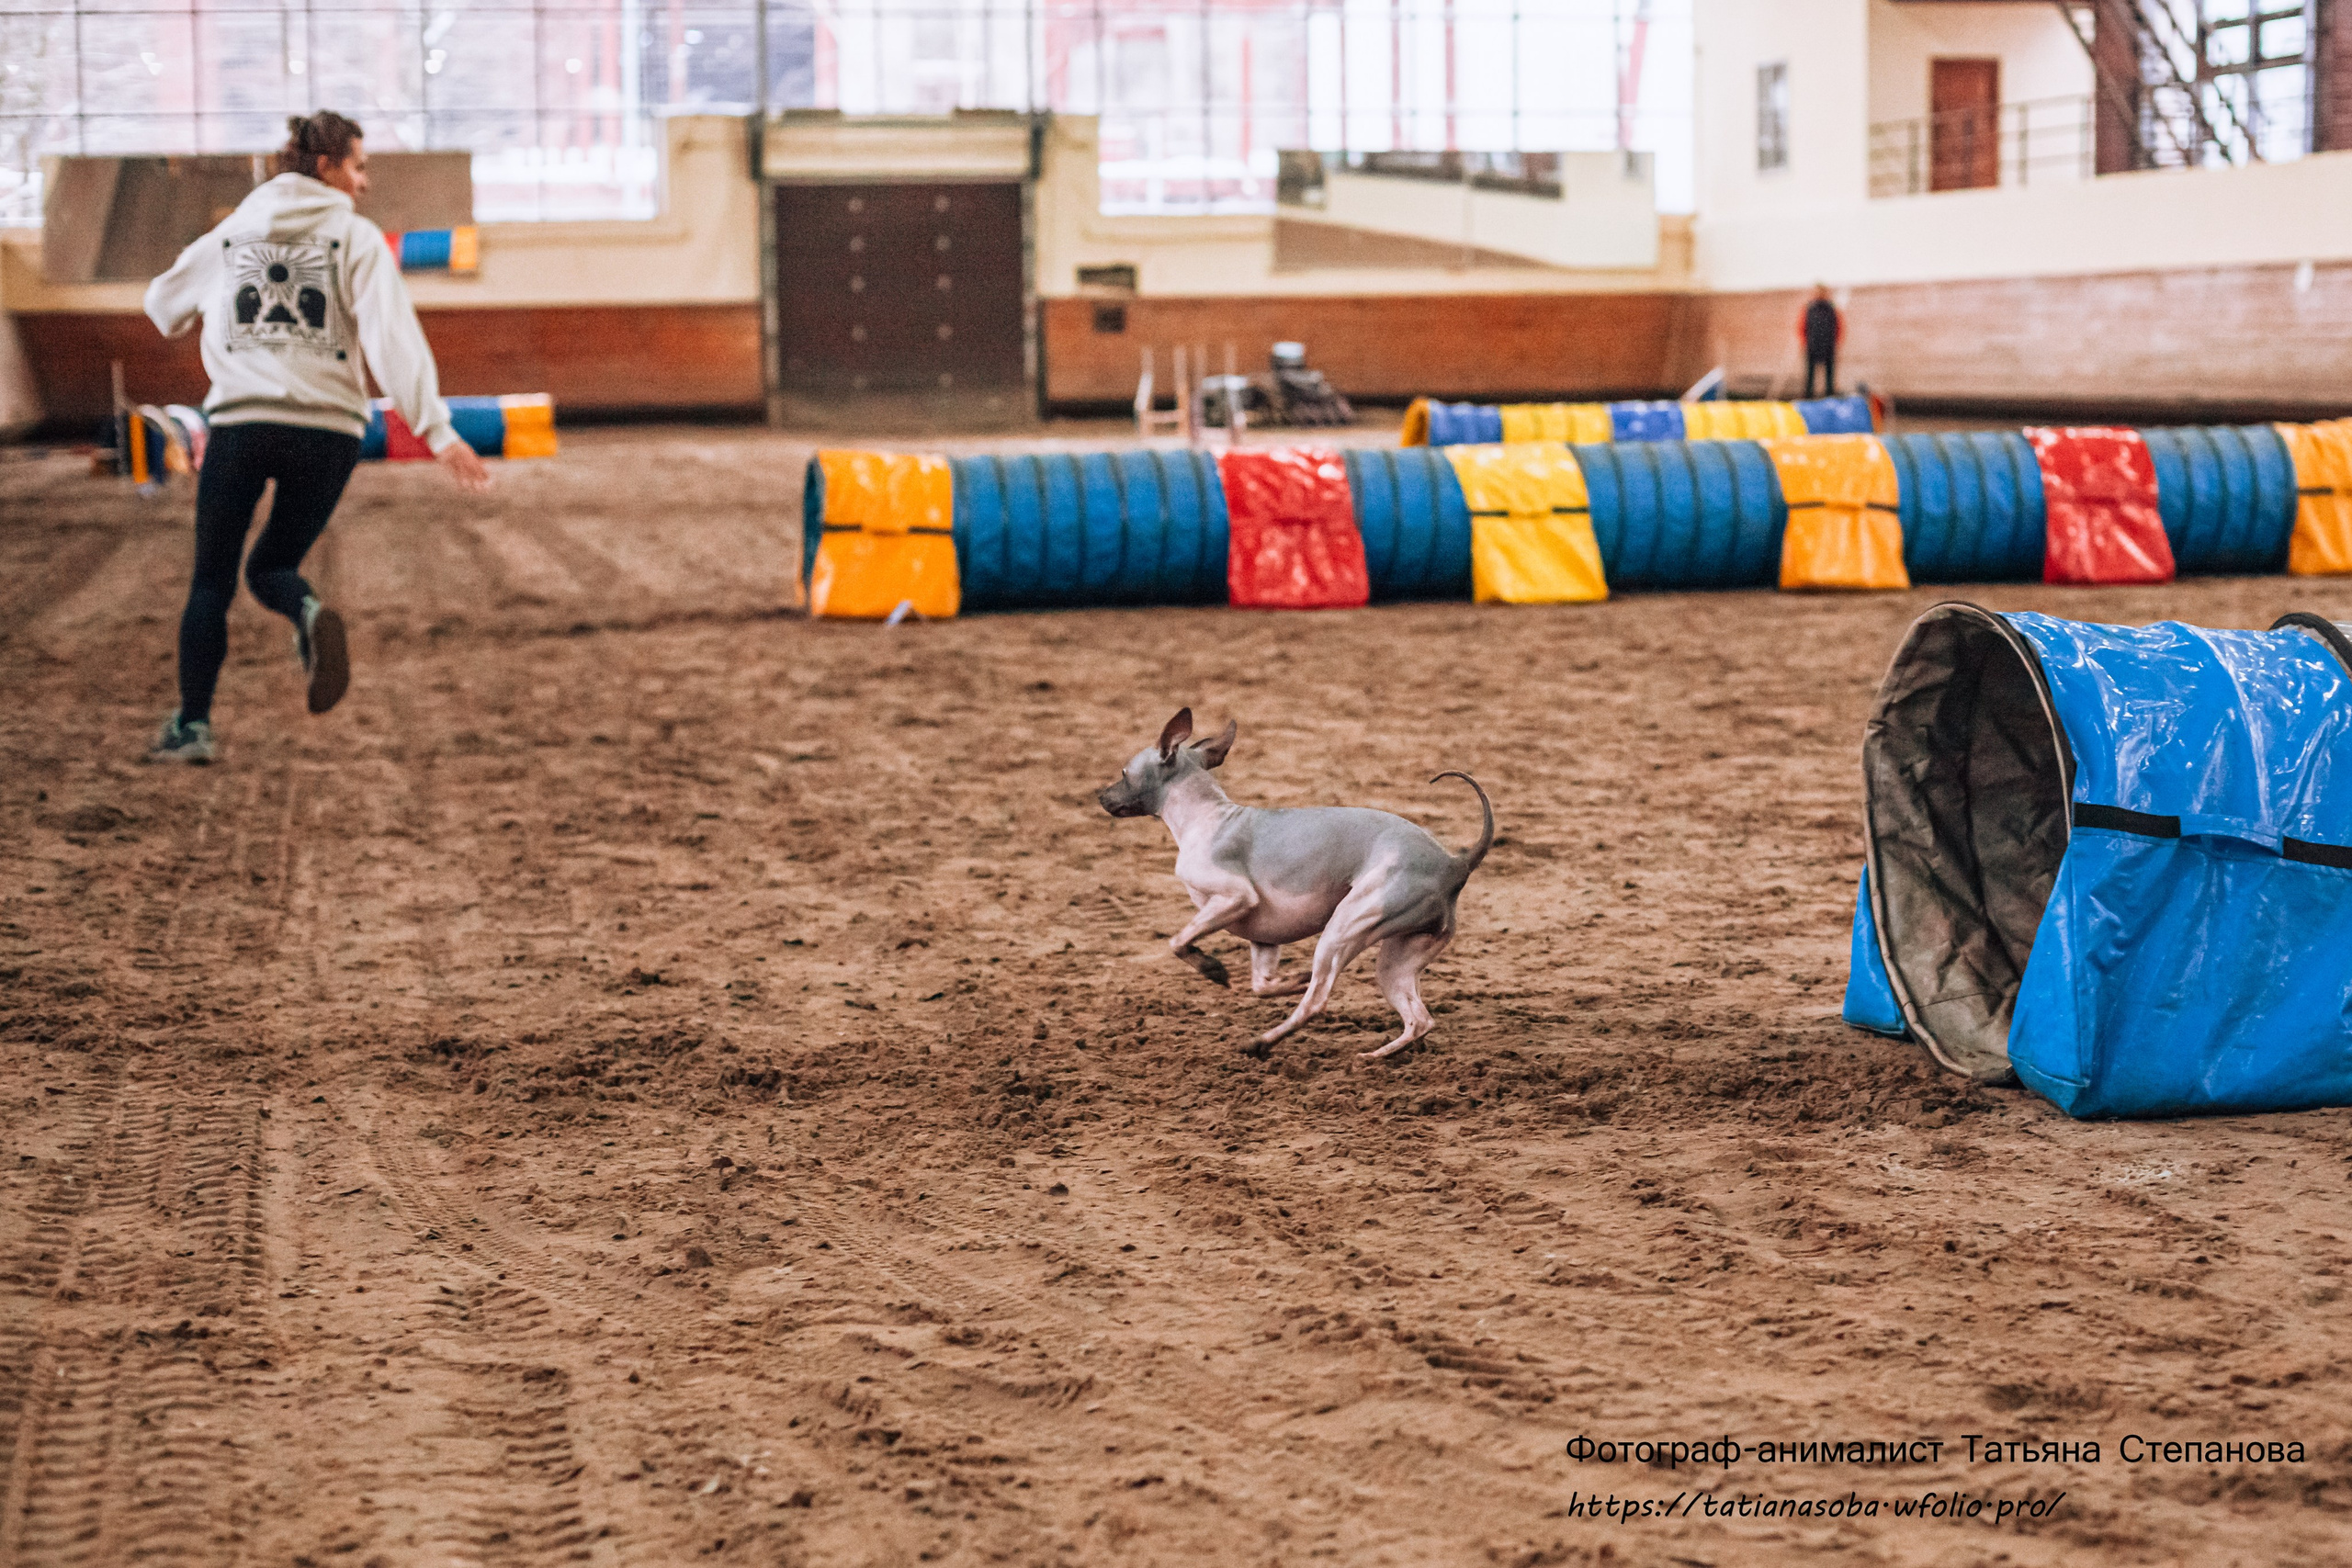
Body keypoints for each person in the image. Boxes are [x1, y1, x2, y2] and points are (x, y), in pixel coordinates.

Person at [141, 109, 491, 764]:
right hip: (328, 432)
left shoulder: (232, 234)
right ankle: (303, 612)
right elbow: (393, 341)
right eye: (358, 166)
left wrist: (208, 314)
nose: (364, 183)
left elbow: (161, 307)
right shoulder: (355, 240)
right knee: (272, 565)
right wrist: (437, 432)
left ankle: (192, 726)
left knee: (211, 580)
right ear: (327, 167)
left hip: (244, 422)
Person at [1800, 284, 1843, 399]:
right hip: (1812, 346)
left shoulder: (1831, 309)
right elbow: (1802, 327)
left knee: (1829, 376)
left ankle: (1830, 397)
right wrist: (1805, 343)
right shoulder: (1809, 309)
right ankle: (1808, 398)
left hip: (1828, 346)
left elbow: (1838, 327)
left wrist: (1836, 343)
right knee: (1810, 376)